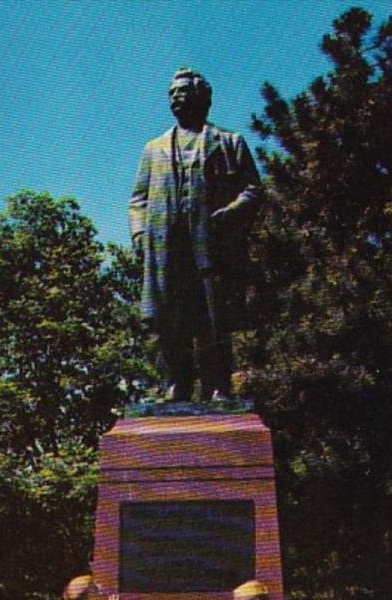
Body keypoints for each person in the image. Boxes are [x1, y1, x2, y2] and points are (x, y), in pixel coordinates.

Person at [129, 67, 262, 402]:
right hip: (167, 249)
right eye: (172, 93)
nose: (175, 98)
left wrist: (229, 215)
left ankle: (219, 386)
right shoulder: (154, 148)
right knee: (172, 321)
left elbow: (253, 191)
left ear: (202, 98)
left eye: (182, 92)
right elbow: (138, 200)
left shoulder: (229, 142)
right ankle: (176, 385)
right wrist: (140, 235)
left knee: (212, 320)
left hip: (211, 247)